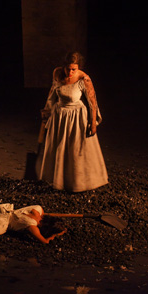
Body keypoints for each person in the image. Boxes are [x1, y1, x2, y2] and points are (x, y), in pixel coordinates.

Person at [36, 51, 108, 192]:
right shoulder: (57, 73)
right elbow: (52, 94)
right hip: (60, 117)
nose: (70, 72)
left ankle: (77, 183)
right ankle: (59, 181)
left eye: (73, 69)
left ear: (78, 68)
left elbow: (92, 102)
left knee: (75, 150)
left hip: (76, 118)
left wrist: (93, 123)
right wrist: (47, 112)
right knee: (59, 148)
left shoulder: (84, 79)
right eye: (68, 69)